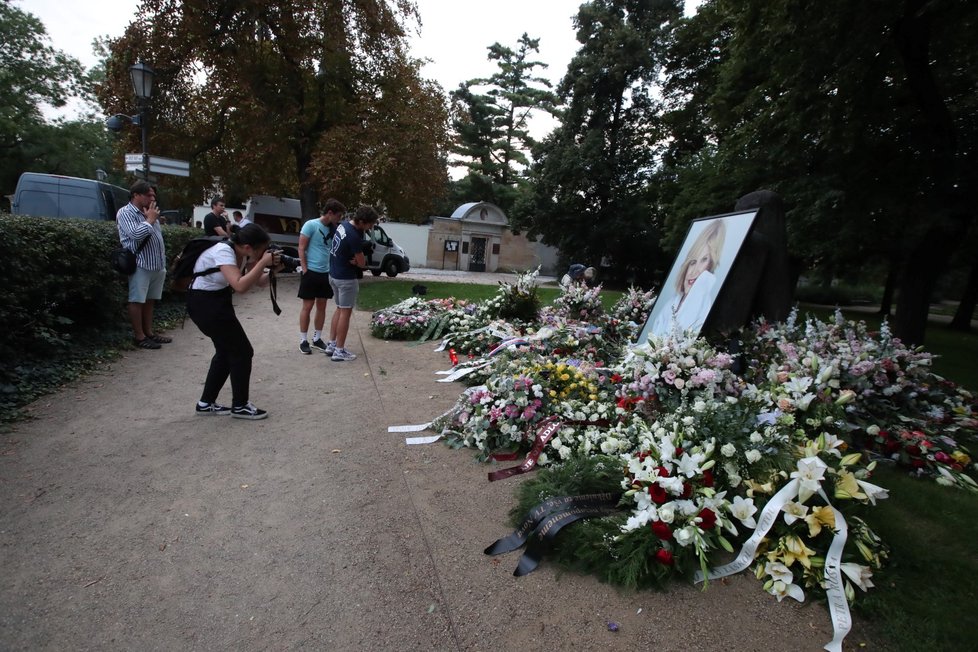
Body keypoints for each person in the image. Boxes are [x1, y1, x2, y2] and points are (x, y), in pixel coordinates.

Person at [186, 224, 283, 419]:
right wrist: (263, 262)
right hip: (204, 303)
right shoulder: (224, 251)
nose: (265, 252)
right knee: (242, 351)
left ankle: (206, 403)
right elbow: (239, 286)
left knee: (225, 352)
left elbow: (258, 282)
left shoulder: (243, 253)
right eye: (262, 249)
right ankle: (240, 405)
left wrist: (274, 269)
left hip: (216, 301)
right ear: (248, 246)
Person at [116, 180, 170, 350]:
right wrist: (150, 220)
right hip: (140, 263)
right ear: (136, 195)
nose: (152, 197)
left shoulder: (149, 212)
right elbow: (135, 235)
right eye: (148, 194)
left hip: (156, 264)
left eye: (153, 194)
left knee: (150, 300)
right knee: (137, 300)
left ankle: (149, 333)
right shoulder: (125, 213)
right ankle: (139, 336)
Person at [652, 219, 727, 336]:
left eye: (703, 260)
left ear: (711, 264)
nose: (694, 271)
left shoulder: (704, 304)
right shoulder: (672, 302)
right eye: (693, 262)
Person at [327, 205, 380, 361]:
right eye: (370, 224)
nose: (371, 227)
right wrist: (358, 261)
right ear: (362, 221)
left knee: (339, 309)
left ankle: (332, 344)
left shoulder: (343, 226)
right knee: (345, 313)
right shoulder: (354, 236)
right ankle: (339, 350)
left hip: (334, 274)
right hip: (346, 279)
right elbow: (362, 263)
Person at [297, 198, 346, 355]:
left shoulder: (334, 228)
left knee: (322, 306)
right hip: (311, 271)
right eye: (338, 216)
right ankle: (303, 340)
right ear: (330, 213)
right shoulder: (311, 225)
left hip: (326, 273)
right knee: (308, 306)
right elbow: (301, 247)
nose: (339, 219)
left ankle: (317, 338)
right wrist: (305, 270)